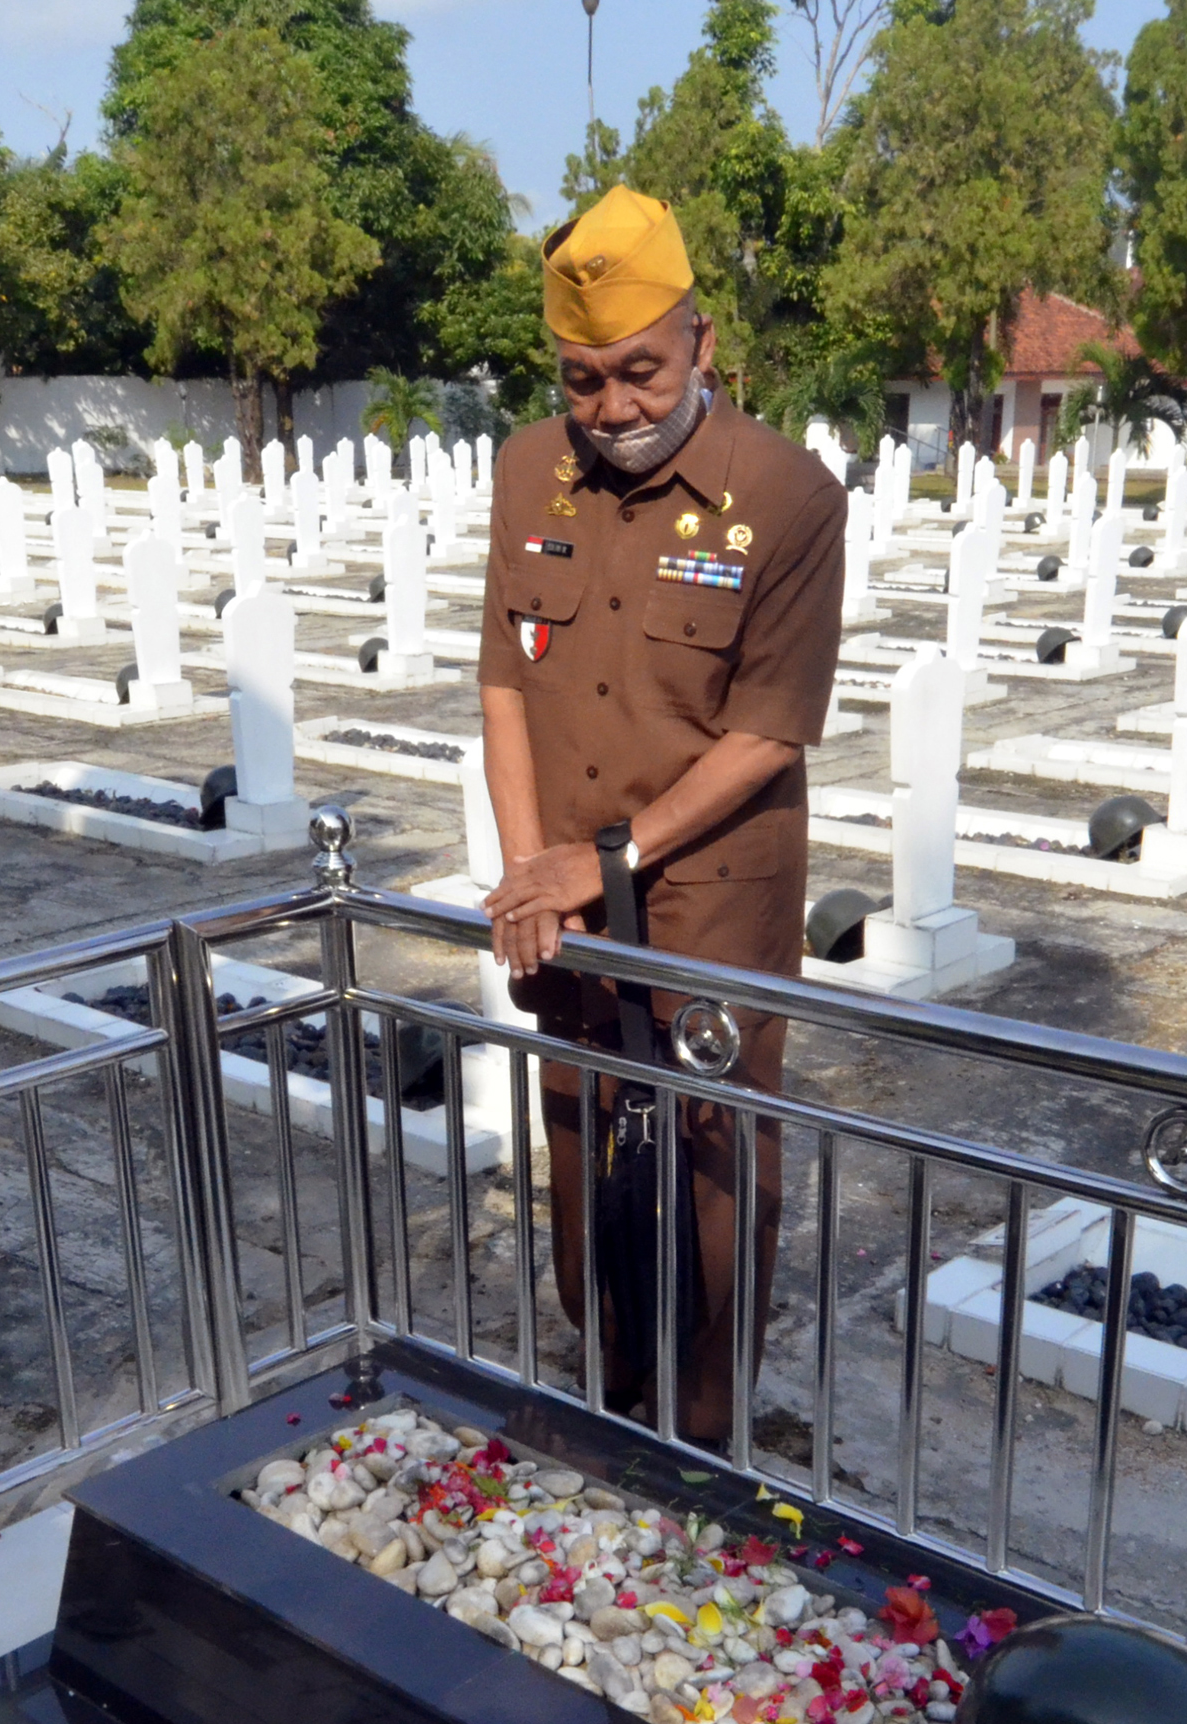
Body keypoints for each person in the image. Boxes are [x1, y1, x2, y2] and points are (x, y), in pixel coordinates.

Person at [474, 187, 847, 1444]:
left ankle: (700, 1433)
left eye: (638, 370)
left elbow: (768, 728)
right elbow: (504, 682)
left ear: (698, 339)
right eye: (581, 381)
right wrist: (533, 864)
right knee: (578, 1127)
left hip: (708, 890)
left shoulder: (786, 496)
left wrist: (605, 859)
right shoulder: (529, 467)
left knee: (707, 1158)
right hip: (566, 875)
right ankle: (606, 1380)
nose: (613, 409)